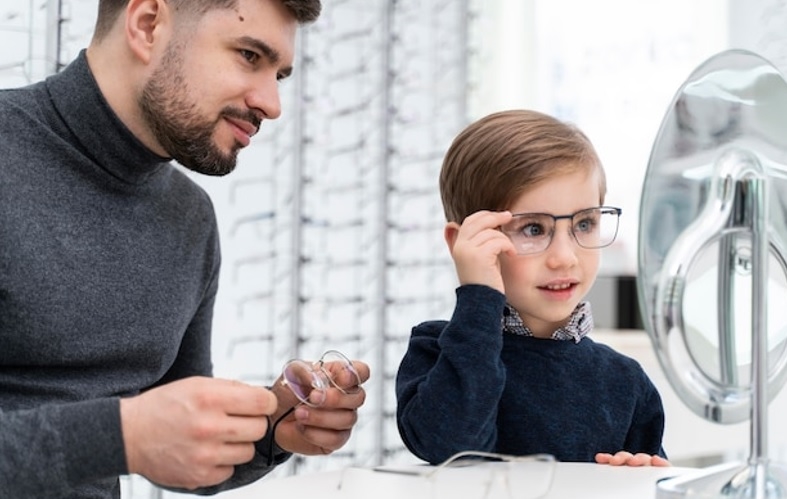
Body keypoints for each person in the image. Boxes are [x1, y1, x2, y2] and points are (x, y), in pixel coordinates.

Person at [0, 0, 370, 497]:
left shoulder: (189, 219)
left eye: (278, 75)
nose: (272, 104)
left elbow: (168, 440)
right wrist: (122, 435)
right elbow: (131, 434)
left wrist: (272, 427)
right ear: (147, 24)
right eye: (248, 56)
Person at [395, 109, 668, 468]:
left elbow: (653, 481)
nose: (565, 257)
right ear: (464, 243)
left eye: (585, 223)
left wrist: (640, 480)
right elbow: (452, 448)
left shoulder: (625, 381)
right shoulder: (437, 353)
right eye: (533, 229)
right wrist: (479, 295)